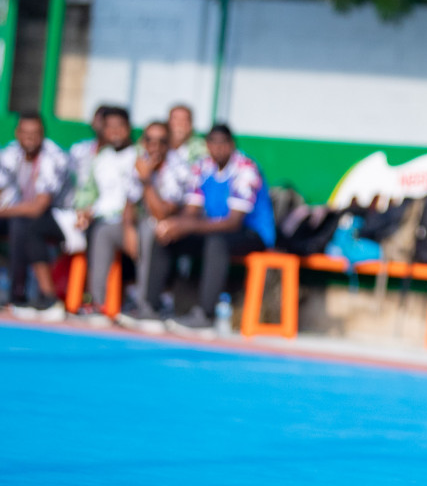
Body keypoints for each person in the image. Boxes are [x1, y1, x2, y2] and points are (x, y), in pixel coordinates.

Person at [148, 124, 275, 332]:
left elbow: (233, 222)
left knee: (216, 242)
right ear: (207, 145)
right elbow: (191, 211)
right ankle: (150, 308)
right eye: (213, 143)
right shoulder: (202, 167)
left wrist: (188, 225)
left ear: (232, 145)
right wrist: (175, 226)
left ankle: (205, 315)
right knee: (167, 235)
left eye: (223, 143)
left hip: (252, 234)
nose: (218, 148)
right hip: (214, 231)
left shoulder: (246, 168)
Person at [120, 120, 194, 324]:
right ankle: (101, 303)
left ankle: (146, 306)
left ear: (168, 143)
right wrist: (127, 230)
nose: (155, 146)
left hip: (174, 227)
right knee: (104, 232)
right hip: (143, 223)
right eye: (149, 141)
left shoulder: (178, 167)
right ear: (143, 142)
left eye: (161, 141)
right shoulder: (139, 161)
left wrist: (146, 180)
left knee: (149, 230)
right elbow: (129, 203)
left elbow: (162, 214)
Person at [72, 107, 141, 319]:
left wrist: (128, 224)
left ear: (128, 129)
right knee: (91, 231)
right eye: (110, 127)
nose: (115, 131)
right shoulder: (100, 157)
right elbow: (91, 194)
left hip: (129, 221)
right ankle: (88, 299)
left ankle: (124, 300)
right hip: (102, 219)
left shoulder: (138, 156)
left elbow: (136, 196)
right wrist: (84, 211)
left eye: (119, 126)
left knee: (107, 233)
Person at [0, 112, 70, 319]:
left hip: (59, 218)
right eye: (25, 133)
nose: (30, 138)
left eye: (35, 134)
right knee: (19, 221)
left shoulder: (54, 157)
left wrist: (5, 210)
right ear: (17, 133)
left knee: (22, 224)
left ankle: (19, 295)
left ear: (43, 135)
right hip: (17, 213)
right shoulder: (9, 154)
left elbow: (39, 207)